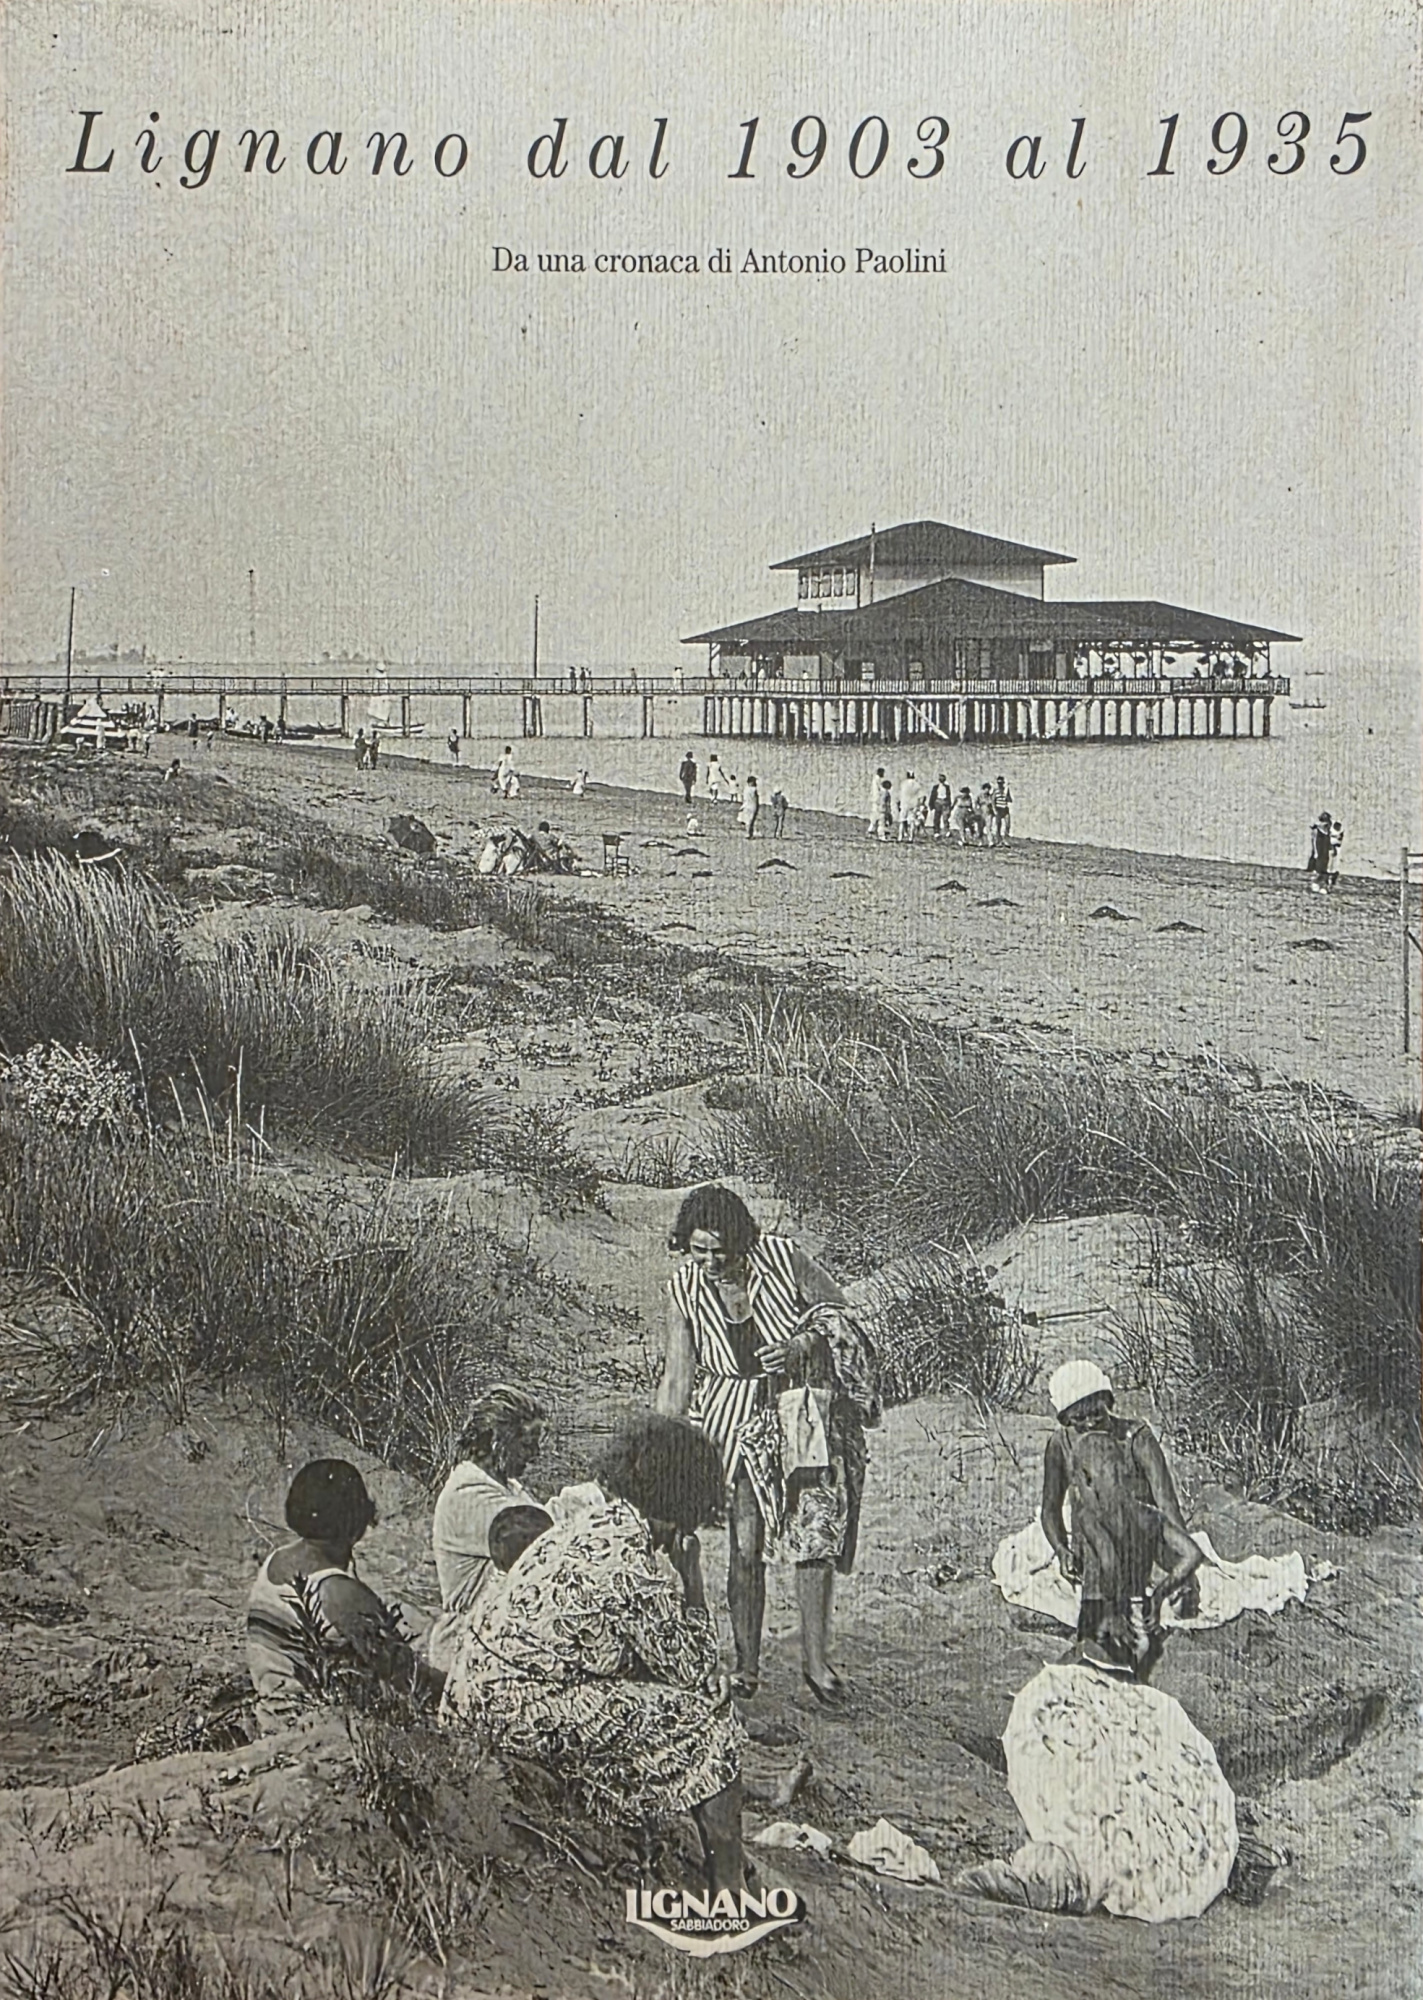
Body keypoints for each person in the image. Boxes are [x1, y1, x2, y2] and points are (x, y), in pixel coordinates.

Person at [443, 1415, 746, 1895]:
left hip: (474, 1691)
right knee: (711, 1718)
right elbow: (692, 1668)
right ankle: (730, 1884)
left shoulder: (594, 1522)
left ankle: (658, 1835)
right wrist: (692, 1578)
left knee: (654, 1698)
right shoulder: (633, 1562)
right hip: (512, 1707)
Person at [656, 1186, 879, 1704]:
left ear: (742, 1242)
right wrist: (663, 1444)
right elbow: (678, 1374)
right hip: (730, 1410)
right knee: (744, 1543)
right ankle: (747, 1664)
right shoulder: (683, 1288)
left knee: (815, 1530)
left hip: (796, 1405)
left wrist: (803, 1343)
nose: (712, 1262)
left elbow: (841, 1314)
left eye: (722, 1252)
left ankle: (817, 1661)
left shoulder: (782, 1257)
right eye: (700, 1251)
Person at [246, 1459, 442, 1731]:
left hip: (273, 1715)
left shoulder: (276, 1562)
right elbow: (407, 1677)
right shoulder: (339, 1592)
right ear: (355, 1521)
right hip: (318, 1729)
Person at [1040, 1361, 1201, 1682]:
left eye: (1096, 1414)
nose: (1089, 1424)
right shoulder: (1061, 1444)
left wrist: (1178, 1574)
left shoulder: (1135, 1437)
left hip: (1141, 1534)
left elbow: (1166, 1503)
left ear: (1108, 1403)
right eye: (1078, 1419)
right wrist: (1061, 1550)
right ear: (1066, 1419)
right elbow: (1050, 1508)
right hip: (1096, 1539)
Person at [427, 1386, 546, 1674]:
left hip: (492, 1633)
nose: (535, 1455)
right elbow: (542, 1539)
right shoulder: (469, 1492)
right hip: (467, 1642)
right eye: (527, 1444)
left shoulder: (506, 1487)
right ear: (496, 1441)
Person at [1305, 811, 1332, 892]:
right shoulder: (1317, 830)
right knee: (1317, 868)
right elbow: (1314, 841)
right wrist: (1316, 852)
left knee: (1324, 868)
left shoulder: (1327, 830)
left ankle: (1323, 885)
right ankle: (1314, 884)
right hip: (1319, 851)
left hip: (1324, 852)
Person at [867, 766, 888, 838]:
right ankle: (880, 834)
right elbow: (881, 790)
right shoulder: (878, 780)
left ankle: (871, 830)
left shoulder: (875, 779)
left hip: (875, 800)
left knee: (875, 816)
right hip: (878, 800)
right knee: (880, 818)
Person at [992, 775, 1013, 841]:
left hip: (1005, 808)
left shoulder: (1006, 790)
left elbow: (1010, 800)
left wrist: (1006, 795)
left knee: (1007, 824)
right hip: (998, 808)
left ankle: (1006, 838)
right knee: (998, 825)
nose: (1000, 785)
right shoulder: (995, 790)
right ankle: (998, 839)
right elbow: (993, 800)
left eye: (1001, 783)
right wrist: (994, 810)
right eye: (999, 783)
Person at [739, 775, 760, 839]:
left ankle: (748, 833)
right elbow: (756, 798)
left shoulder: (746, 789)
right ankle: (749, 833)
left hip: (746, 804)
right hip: (752, 805)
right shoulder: (754, 789)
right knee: (751, 820)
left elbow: (743, 797)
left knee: (747, 820)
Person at [1326, 818, 1344, 892]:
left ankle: (1331, 880)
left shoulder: (1340, 830)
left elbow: (1340, 838)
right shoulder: (1330, 829)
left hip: (1336, 848)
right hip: (1330, 848)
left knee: (1334, 865)